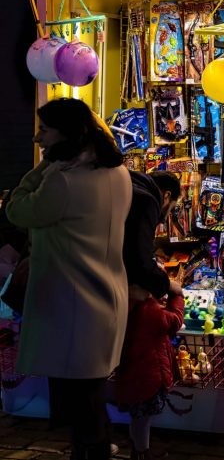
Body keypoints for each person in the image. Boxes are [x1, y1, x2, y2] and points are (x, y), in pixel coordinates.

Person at [5, 98, 131, 460]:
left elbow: (18, 209)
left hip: (70, 302)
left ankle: (90, 453)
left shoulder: (62, 182)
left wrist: (44, 167)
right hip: (104, 294)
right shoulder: (116, 172)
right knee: (90, 392)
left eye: (45, 130)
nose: (37, 138)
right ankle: (94, 449)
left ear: (67, 134)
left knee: (80, 400)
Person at [113, 283, 185, 460]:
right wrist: (177, 296)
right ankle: (141, 452)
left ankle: (138, 448)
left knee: (137, 416)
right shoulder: (148, 308)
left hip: (131, 372)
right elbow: (174, 320)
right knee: (143, 418)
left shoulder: (124, 304)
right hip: (149, 375)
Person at [123, 171, 182, 299]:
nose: (166, 217)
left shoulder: (131, 186)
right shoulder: (147, 201)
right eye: (171, 208)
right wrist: (166, 285)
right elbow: (140, 260)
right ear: (166, 195)